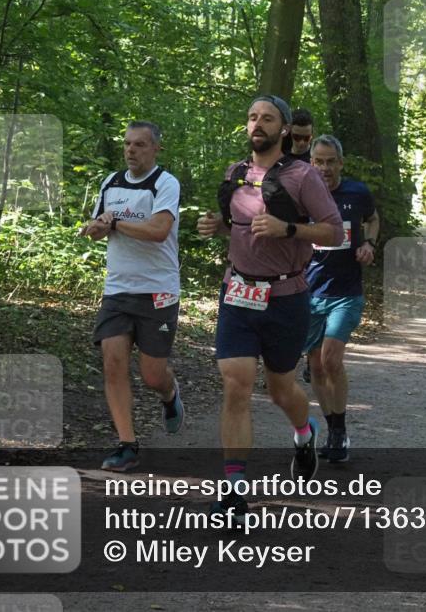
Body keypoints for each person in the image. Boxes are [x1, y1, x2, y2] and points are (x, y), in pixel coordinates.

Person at [197, 95, 343, 522]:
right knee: (236, 385)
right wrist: (217, 226)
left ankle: (304, 433)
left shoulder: (302, 176)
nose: (257, 123)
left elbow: (333, 231)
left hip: (286, 298)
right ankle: (234, 492)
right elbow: (239, 229)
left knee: (281, 391)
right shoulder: (236, 173)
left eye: (267, 118)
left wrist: (289, 229)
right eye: (252, 117)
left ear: (283, 129)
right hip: (238, 293)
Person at [80, 121, 184, 472]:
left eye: (140, 145)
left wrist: (115, 224)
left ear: (156, 149)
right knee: (112, 364)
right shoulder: (110, 182)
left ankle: (170, 395)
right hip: (118, 289)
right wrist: (95, 227)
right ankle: (127, 444)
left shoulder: (165, 183)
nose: (131, 150)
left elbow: (158, 231)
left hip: (158, 290)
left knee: (152, 375)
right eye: (127, 144)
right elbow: (95, 230)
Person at [304, 135, 379, 463]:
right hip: (308, 293)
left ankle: (339, 427)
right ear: (311, 163)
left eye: (330, 161)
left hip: (346, 292)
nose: (324, 168)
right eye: (318, 161)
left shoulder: (356, 193)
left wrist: (370, 245)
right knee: (315, 366)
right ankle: (333, 426)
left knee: (331, 359)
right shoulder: (300, 195)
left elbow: (373, 219)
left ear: (341, 163)